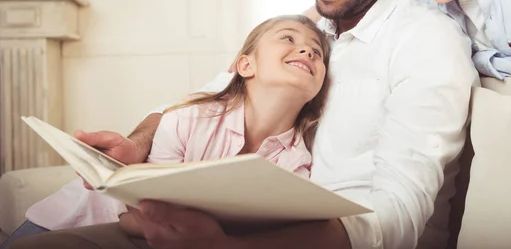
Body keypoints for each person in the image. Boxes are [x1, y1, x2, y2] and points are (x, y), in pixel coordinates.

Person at [7, 0, 478, 249]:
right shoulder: (306, 27)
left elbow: (398, 216)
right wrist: (137, 143)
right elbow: (217, 92)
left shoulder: (427, 45)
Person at [3, 15, 329, 246]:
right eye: (288, 38)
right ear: (245, 66)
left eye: (317, 50)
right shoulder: (189, 119)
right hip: (71, 220)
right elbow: (136, 215)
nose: (308, 51)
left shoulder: (297, 165)